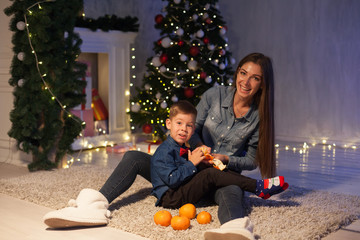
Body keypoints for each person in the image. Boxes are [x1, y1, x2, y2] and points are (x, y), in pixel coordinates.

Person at [43, 52, 279, 240]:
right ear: (237, 72)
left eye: (255, 78)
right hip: (186, 164)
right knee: (134, 157)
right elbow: (191, 128)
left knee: (231, 190)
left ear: (262, 84)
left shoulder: (260, 117)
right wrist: (198, 150)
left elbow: (251, 160)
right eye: (243, 73)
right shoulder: (214, 96)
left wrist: (224, 159)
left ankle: (233, 230)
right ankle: (92, 207)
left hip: (218, 175)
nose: (245, 82)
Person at [151, 100, 288, 211]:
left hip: (179, 188)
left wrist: (199, 163)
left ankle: (257, 185)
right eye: (179, 123)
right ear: (169, 124)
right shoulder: (164, 151)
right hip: (170, 197)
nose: (183, 129)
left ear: (193, 129)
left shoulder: (180, 146)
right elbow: (172, 180)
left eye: (189, 125)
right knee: (209, 174)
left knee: (212, 167)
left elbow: (182, 169)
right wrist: (191, 163)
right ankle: (257, 187)